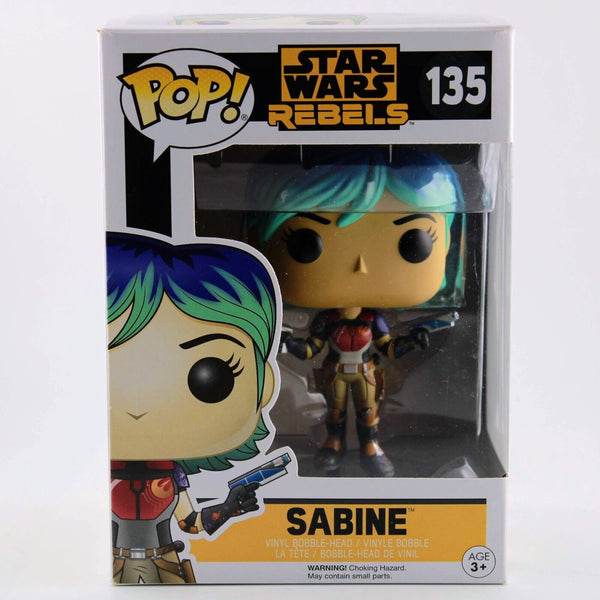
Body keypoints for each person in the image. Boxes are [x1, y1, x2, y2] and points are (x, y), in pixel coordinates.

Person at [250, 147, 463, 477]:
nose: (361, 266)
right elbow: (312, 348)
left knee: (368, 412)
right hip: (335, 371)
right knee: (334, 413)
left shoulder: (372, 320)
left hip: (366, 372)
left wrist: (414, 340)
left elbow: (389, 346)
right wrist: (287, 343)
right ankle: (333, 444)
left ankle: (371, 446)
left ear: (447, 244)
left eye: (413, 241)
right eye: (306, 241)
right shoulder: (328, 321)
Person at [107, 233, 279, 583]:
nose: (140, 408)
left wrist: (229, 507)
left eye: (210, 377)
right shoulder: (92, 474)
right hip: (107, 567)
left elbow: (190, 523)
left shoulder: (172, 475)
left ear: (265, 388)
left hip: (164, 564)